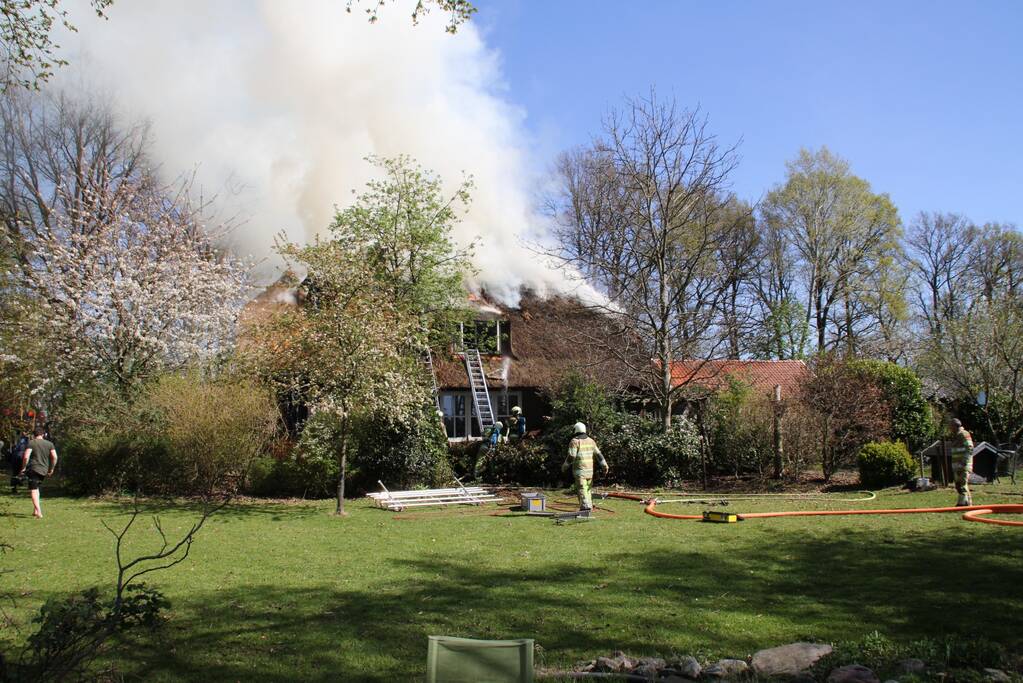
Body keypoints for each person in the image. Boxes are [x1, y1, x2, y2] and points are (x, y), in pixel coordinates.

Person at [562, 422, 608, 512]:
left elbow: (572, 456)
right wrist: (604, 465)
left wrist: (564, 466)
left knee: (582, 489)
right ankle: (589, 507)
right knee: (588, 489)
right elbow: (599, 455)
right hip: (590, 471)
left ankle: (585, 508)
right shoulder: (591, 441)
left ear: (576, 430)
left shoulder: (575, 441)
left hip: (580, 471)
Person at [19, 427, 57, 518]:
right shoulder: (50, 444)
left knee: (33, 490)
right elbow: (55, 457)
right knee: (36, 488)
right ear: (43, 434)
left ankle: (39, 512)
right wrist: (51, 468)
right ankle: (35, 511)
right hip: (43, 470)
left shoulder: (31, 443)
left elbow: (26, 457)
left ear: (34, 435)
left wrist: (23, 468)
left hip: (33, 468)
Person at [948, 417, 974, 507]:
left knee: (962, 484)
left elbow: (970, 448)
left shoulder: (964, 434)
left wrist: (964, 462)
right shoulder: (956, 435)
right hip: (957, 465)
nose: (949, 428)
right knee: (958, 485)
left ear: (955, 426)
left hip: (964, 465)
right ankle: (965, 503)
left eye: (950, 426)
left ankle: (964, 504)